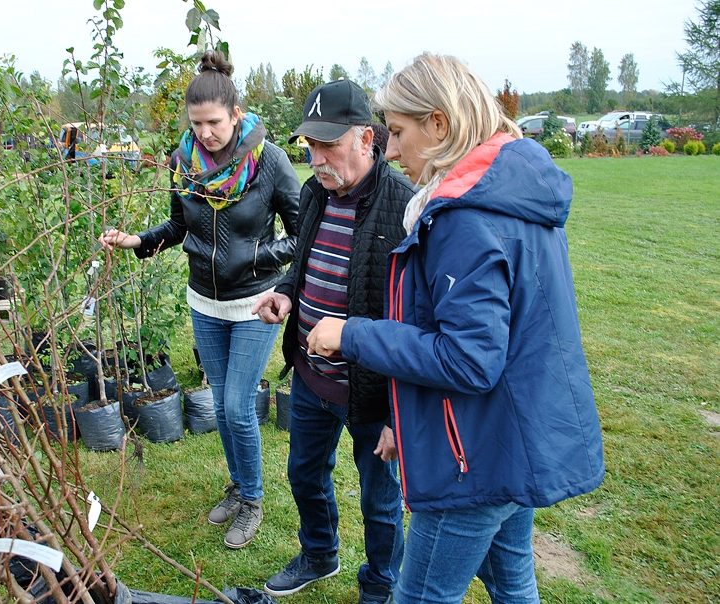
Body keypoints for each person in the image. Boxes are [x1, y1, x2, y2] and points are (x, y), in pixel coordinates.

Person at [306, 53, 605, 603]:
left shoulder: (464, 217)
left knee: (421, 594)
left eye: (398, 133)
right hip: (512, 436)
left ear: (439, 125)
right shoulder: (512, 193)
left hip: (476, 455)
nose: (392, 150)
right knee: (512, 580)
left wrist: (352, 334)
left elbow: (469, 359)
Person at [99, 50, 300, 550]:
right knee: (221, 405)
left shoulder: (270, 162)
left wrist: (256, 256)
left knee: (236, 407)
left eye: (214, 122)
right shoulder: (183, 163)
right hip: (204, 304)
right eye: (196, 124)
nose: (205, 133)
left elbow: (304, 235)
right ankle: (238, 485)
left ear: (236, 114)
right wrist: (138, 241)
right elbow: (177, 226)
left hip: (255, 302)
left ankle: (252, 500)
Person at [252, 79, 413, 604]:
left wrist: (398, 415)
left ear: (366, 139)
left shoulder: (404, 205)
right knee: (304, 474)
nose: (317, 159)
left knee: (380, 501)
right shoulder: (314, 192)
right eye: (310, 145)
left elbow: (415, 317)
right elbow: (302, 264)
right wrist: (285, 294)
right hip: (311, 378)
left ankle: (381, 585)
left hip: (372, 390)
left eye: (329, 145)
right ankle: (320, 553)